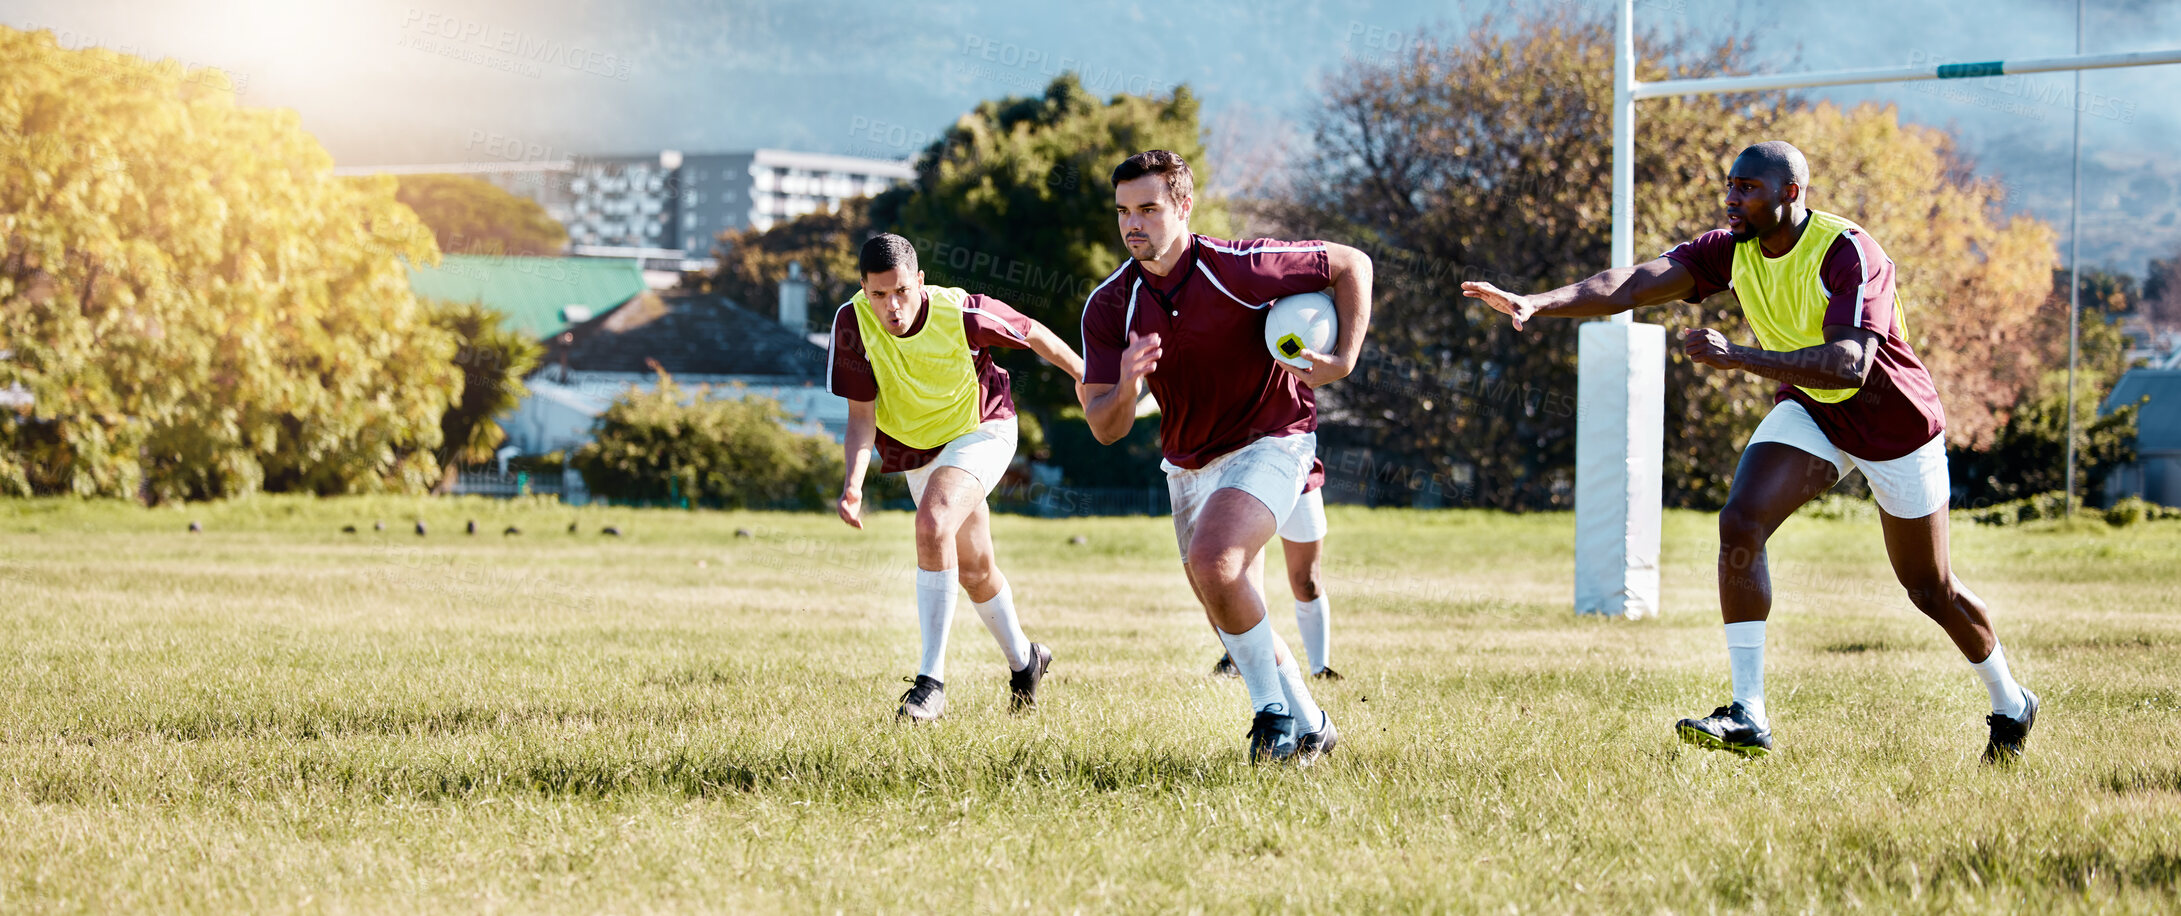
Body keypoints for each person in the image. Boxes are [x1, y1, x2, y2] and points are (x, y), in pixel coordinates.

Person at [1462, 141, 2036, 762]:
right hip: (1815, 412)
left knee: (1929, 590)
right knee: (1740, 521)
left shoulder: (1850, 251)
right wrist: (1538, 303)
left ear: (1791, 193)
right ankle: (1748, 712)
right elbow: (1631, 283)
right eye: (1730, 185)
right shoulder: (1727, 249)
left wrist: (1737, 355)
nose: (1733, 198)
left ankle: (2012, 705)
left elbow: (1850, 366)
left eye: (1749, 188)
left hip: (1895, 424)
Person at [1079, 149, 1374, 762]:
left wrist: (1343, 358)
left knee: (1216, 561)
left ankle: (1271, 718)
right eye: (1124, 212)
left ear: (1184, 207)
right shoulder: (1109, 306)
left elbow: (1352, 264)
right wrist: (1129, 385)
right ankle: (1313, 721)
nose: (1134, 223)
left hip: (1274, 437)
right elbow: (1105, 428)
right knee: (1222, 602)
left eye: (1149, 209)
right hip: (1187, 462)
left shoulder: (1240, 267)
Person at [831, 233, 1086, 723]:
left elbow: (1032, 332)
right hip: (918, 449)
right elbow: (861, 417)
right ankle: (1026, 662)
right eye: (878, 294)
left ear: (920, 281)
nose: (892, 307)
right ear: (863, 288)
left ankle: (930, 683)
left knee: (932, 524)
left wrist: (1085, 377)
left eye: (902, 291)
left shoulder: (960, 312)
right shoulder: (852, 323)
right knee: (974, 570)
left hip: (982, 429)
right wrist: (853, 485)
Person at [1211, 457, 1342, 681]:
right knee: (1239, 575)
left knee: (1306, 580)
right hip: (1241, 471)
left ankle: (1320, 668)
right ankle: (1239, 656)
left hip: (1294, 465)